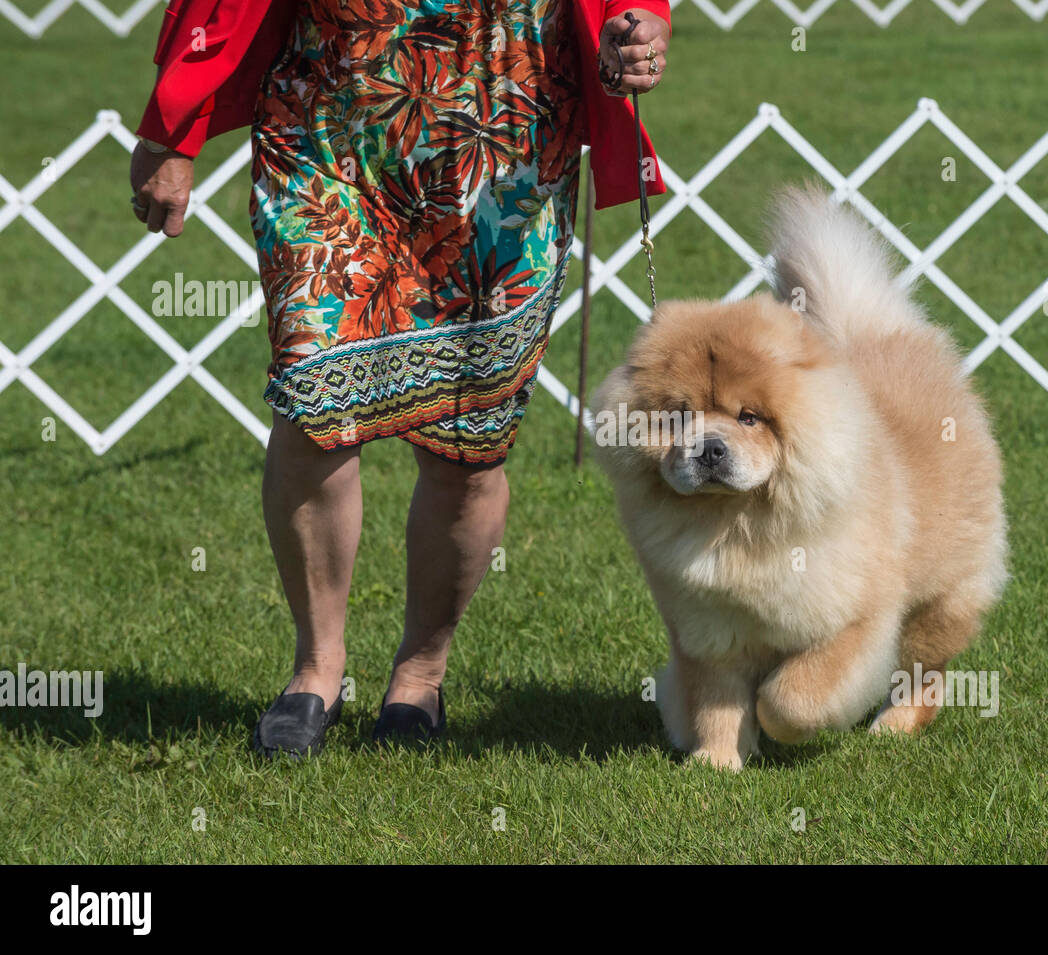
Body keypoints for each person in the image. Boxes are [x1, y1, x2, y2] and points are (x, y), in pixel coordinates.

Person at [129, 0, 670, 757]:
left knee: (468, 440)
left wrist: (641, 24)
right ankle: (315, 670)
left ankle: (421, 673)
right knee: (315, 408)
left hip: (507, 137)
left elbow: (630, 5)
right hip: (329, 132)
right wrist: (170, 126)